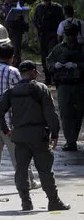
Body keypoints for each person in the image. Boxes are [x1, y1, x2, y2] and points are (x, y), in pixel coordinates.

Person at [0, 61, 70, 212]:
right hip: (39, 137)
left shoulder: (11, 91)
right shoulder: (41, 88)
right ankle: (53, 201)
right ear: (33, 72)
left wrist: (6, 129)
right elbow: (51, 114)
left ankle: (26, 202)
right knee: (45, 170)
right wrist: (54, 134)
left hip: (20, 137)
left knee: (21, 170)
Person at [0, 44, 37, 193]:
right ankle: (28, 182)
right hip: (10, 123)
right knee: (19, 154)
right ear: (12, 57)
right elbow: (20, 95)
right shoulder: (13, 72)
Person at [46, 23, 84, 151]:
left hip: (79, 84)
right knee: (65, 113)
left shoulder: (81, 49)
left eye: (71, 35)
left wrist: (76, 65)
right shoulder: (58, 49)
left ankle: (73, 138)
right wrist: (55, 65)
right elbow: (49, 62)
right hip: (63, 84)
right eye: (67, 35)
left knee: (78, 113)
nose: (69, 38)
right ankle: (70, 141)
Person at [33, 0, 64, 85]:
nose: (46, 1)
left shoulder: (57, 8)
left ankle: (54, 77)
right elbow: (35, 20)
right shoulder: (39, 7)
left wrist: (60, 35)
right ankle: (48, 78)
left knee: (52, 55)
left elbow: (61, 21)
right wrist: (36, 30)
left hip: (53, 35)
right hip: (42, 35)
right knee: (44, 56)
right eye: (45, 0)